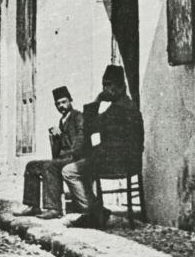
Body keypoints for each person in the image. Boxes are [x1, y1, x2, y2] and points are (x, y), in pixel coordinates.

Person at [62, 65, 144, 230]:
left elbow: (90, 126)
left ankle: (94, 213)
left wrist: (98, 100)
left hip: (114, 163)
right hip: (132, 163)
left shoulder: (117, 109)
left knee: (69, 171)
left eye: (110, 85)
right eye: (105, 85)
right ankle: (95, 211)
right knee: (85, 164)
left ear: (121, 87)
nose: (107, 89)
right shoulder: (130, 106)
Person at [12, 86, 86, 220]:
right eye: (58, 104)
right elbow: (57, 151)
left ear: (70, 100)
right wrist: (56, 135)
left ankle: (53, 208)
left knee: (49, 166)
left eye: (64, 102)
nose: (61, 106)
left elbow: (81, 139)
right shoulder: (62, 121)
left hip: (76, 158)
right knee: (31, 165)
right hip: (64, 157)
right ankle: (32, 205)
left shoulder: (78, 116)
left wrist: (66, 146)